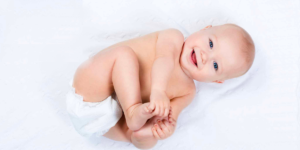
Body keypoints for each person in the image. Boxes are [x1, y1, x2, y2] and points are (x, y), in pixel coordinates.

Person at [66, 23, 255, 149]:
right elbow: (163, 60)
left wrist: (164, 127)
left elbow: (169, 115)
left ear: (216, 81)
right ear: (205, 28)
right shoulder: (174, 37)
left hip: (107, 126)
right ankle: (132, 111)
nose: (206, 56)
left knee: (150, 137)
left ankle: (137, 127)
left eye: (215, 66)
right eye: (211, 43)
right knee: (123, 55)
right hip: (90, 88)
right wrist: (158, 90)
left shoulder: (188, 92)